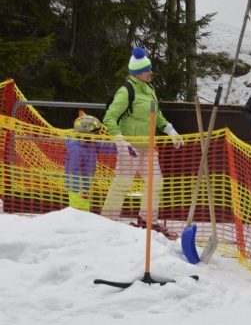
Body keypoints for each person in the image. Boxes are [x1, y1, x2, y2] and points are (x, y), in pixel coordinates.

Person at [101, 47, 184, 237]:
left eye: (150, 68)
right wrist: (121, 141)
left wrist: (169, 129)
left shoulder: (149, 89)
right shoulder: (126, 91)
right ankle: (106, 222)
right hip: (130, 147)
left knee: (155, 182)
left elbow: (157, 114)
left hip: (149, 146)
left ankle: (148, 221)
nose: (151, 72)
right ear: (138, 73)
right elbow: (109, 117)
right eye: (147, 70)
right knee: (123, 182)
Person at [64, 114, 113, 211]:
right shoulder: (77, 148)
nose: (98, 136)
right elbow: (74, 169)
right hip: (76, 185)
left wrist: (121, 148)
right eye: (95, 134)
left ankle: (80, 222)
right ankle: (77, 224)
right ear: (86, 134)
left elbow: (104, 147)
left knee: (83, 206)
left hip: (85, 182)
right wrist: (80, 186)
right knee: (79, 207)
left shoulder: (91, 143)